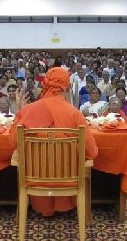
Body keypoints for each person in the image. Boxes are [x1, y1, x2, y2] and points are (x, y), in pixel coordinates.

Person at [10, 67, 98, 216]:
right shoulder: (74, 113)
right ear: (67, 87)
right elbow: (92, 152)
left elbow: (12, 143)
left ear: (45, 85)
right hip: (69, 180)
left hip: (35, 179)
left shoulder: (28, 110)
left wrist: (19, 111)